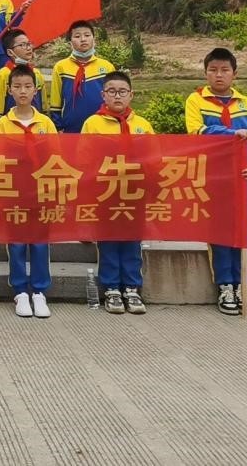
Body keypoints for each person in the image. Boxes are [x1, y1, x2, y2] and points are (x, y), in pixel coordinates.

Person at [185, 47, 247, 317]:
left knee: (244, 234)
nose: (218, 75)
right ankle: (225, 285)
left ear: (234, 73)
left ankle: (243, 286)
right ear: (205, 73)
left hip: (246, 179)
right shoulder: (196, 101)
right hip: (214, 178)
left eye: (224, 70)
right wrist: (232, 133)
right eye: (213, 70)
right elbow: (197, 132)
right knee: (219, 233)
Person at [81, 71, 152, 315]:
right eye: (111, 91)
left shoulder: (142, 125)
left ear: (131, 95)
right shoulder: (93, 123)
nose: (117, 96)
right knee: (109, 239)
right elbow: (84, 157)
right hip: (106, 191)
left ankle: (131, 287)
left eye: (122, 91)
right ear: (103, 95)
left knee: (132, 240)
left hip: (134, 191)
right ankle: (111, 288)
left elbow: (154, 157)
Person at [0, 65, 58, 319]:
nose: (23, 91)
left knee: (41, 242)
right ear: (9, 90)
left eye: (27, 86)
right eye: (17, 86)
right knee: (17, 242)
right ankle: (20, 290)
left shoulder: (46, 123)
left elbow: (56, 157)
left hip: (41, 190)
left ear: (36, 90)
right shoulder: (3, 124)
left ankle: (39, 291)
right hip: (13, 191)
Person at [48, 20, 116, 134]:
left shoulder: (107, 66)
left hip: (101, 127)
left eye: (87, 35)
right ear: (70, 42)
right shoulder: (61, 67)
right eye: (77, 36)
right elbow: (55, 102)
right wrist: (58, 126)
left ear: (94, 40)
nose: (83, 39)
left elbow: (113, 97)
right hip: (70, 127)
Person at [0, 29, 46, 132]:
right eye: (22, 45)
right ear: (10, 52)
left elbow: (43, 106)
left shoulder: (37, 74)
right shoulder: (3, 75)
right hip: (11, 131)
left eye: (29, 44)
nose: (28, 48)